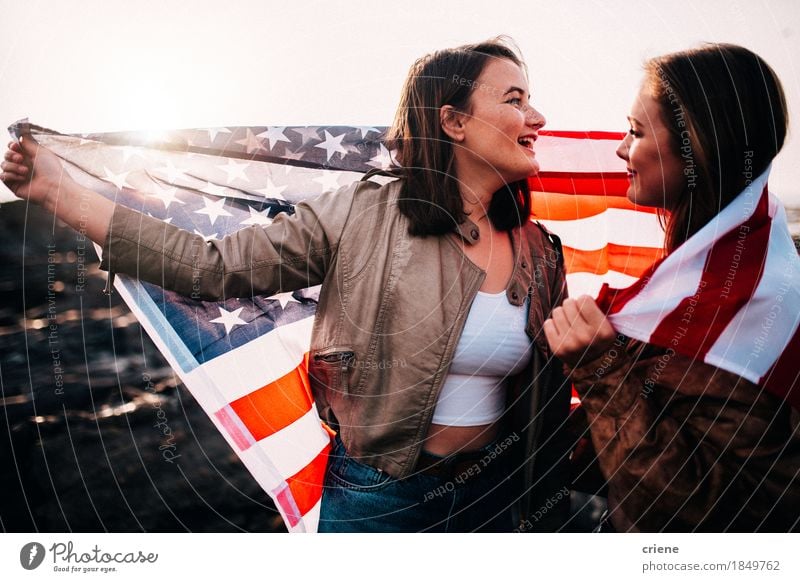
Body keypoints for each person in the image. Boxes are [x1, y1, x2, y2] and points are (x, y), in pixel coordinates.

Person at [1, 37, 573, 532]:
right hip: (383, 500)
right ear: (453, 121)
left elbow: (558, 397)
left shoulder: (539, 253)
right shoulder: (363, 213)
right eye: (514, 100)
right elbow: (210, 267)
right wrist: (58, 193)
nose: (537, 117)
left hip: (496, 501)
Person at [544, 43, 800, 532]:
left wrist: (600, 369)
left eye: (636, 132)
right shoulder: (721, 269)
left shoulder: (748, 306)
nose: (620, 148)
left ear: (696, 147)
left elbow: (692, 513)